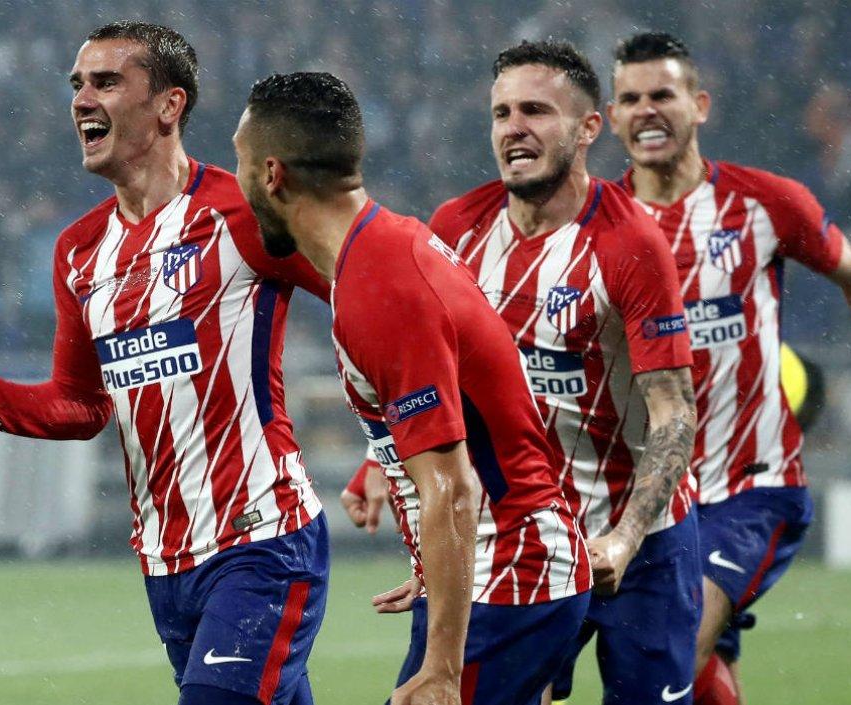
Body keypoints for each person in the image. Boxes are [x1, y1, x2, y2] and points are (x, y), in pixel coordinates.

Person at [0, 22, 330, 705]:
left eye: (106, 82)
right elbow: (82, 406)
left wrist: (398, 439)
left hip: (263, 541)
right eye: (77, 84)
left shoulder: (244, 213)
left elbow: (367, 294)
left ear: (170, 105)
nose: (83, 98)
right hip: (167, 562)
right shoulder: (79, 250)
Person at [345, 40, 701, 705]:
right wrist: (382, 462)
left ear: (589, 127)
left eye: (536, 110)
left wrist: (625, 536)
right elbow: (433, 377)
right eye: (502, 112)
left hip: (640, 544)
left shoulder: (630, 243)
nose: (514, 127)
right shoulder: (457, 227)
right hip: (517, 537)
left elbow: (674, 409)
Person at [608, 32, 851, 705]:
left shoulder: (762, 203)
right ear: (612, 116)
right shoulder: (601, 222)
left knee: (672, 646)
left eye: (662, 94)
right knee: (675, 665)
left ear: (699, 104)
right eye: (630, 98)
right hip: (646, 494)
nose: (646, 110)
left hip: (750, 486)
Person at [233, 70, 590, 705]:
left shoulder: (381, 288)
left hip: (509, 576)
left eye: (238, 162)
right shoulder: (386, 246)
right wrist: (433, 568)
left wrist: (443, 670)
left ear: (271, 175)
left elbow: (453, 489)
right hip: (490, 573)